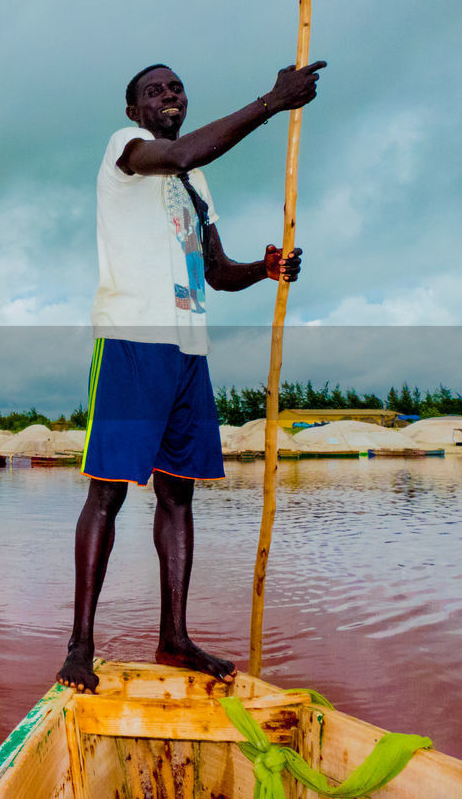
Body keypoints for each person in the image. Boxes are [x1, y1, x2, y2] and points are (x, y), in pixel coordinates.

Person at [56, 61, 324, 693]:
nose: (168, 96)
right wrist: (272, 101)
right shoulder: (128, 150)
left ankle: (174, 636)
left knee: (179, 495)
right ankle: (79, 647)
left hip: (187, 350)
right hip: (131, 341)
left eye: (175, 87)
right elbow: (180, 151)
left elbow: (217, 271)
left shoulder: (196, 183)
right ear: (133, 111)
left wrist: (264, 269)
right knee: (109, 493)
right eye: (154, 91)